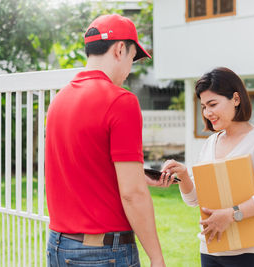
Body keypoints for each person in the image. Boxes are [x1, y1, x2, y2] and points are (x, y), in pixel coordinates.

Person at [45, 14, 165, 267]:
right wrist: (156, 258)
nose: (130, 68)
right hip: (102, 253)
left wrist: (136, 174)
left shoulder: (59, 100)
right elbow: (133, 195)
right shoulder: (121, 101)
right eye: (132, 58)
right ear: (120, 49)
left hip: (59, 245)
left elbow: (81, 166)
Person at [160, 67, 254, 267]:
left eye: (212, 104)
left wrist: (232, 213)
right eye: (203, 106)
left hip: (252, 251)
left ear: (236, 99)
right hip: (212, 250)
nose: (207, 112)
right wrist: (184, 176)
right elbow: (195, 200)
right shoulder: (210, 143)